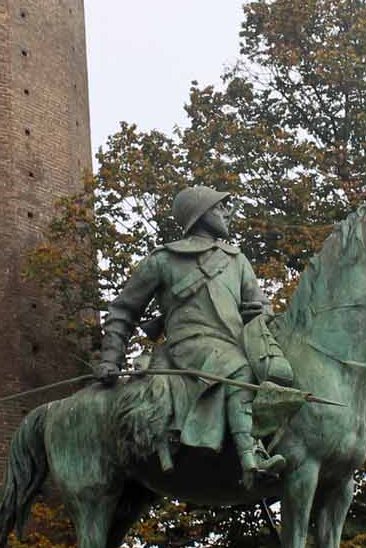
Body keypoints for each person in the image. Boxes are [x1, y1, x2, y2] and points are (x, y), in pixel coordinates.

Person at [94, 185, 297, 487]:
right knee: (240, 369)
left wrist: (261, 314)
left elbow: (260, 307)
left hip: (233, 344)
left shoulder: (236, 260)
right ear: (201, 215)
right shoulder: (163, 260)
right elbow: (123, 310)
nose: (228, 213)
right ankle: (252, 459)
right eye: (220, 207)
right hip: (189, 345)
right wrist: (111, 357)